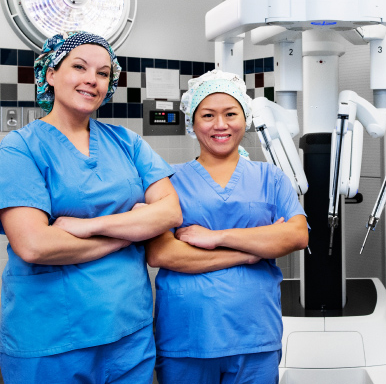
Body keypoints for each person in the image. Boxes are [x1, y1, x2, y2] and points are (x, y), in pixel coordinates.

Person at [0, 31, 182, 383]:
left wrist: (88, 226)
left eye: (102, 73)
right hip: (52, 339)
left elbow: (170, 212)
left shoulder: (126, 142)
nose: (92, 80)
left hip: (129, 332)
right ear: (50, 74)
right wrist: (131, 231)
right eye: (79, 66)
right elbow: (35, 245)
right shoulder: (19, 150)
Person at [146, 70, 308, 384]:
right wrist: (250, 251)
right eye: (208, 115)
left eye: (230, 114)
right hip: (186, 337)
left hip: (254, 334)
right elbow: (161, 253)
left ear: (244, 119)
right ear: (192, 123)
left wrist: (215, 237)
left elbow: (296, 234)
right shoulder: (170, 181)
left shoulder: (270, 177)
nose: (221, 125)